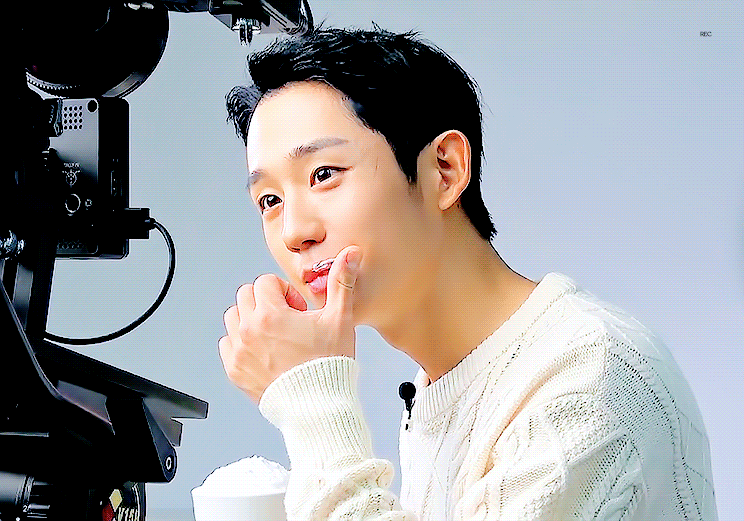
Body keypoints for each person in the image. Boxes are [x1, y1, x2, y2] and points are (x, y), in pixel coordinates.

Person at [217, 27, 717, 521]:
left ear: (445, 169)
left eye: (324, 174)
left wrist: (315, 408)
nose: (294, 232)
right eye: (270, 200)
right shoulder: (450, 387)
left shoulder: (586, 378)